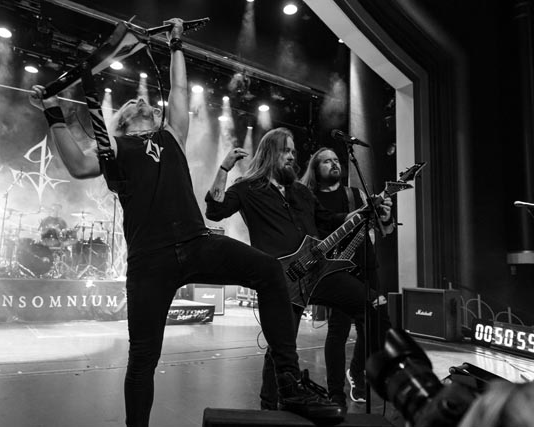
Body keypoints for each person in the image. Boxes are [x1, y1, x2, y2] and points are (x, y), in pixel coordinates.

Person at [29, 18, 342, 427]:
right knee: (143, 357)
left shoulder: (171, 135)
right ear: (121, 121)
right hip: (151, 260)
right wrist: (52, 112)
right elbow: (76, 163)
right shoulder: (116, 148)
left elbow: (178, 90)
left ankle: (288, 381)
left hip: (196, 242)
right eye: (132, 104)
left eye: (144, 102)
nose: (140, 101)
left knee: (270, 271)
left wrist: (176, 43)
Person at [205, 128, 393, 412]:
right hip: (280, 280)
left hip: (317, 272)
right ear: (270, 152)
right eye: (286, 150)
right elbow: (215, 211)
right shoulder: (247, 188)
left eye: (293, 151)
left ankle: (375, 374)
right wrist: (223, 168)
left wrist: (363, 213)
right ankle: (269, 408)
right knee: (280, 348)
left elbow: (328, 220)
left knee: (373, 305)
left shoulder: (302, 192)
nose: (292, 156)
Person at [300, 147, 394, 408]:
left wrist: (386, 217)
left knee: (372, 325)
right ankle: (335, 391)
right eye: (326, 161)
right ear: (315, 169)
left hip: (366, 264)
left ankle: (356, 371)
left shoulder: (355, 194)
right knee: (338, 330)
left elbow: (384, 229)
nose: (334, 164)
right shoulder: (309, 197)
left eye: (336, 160)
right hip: (336, 270)